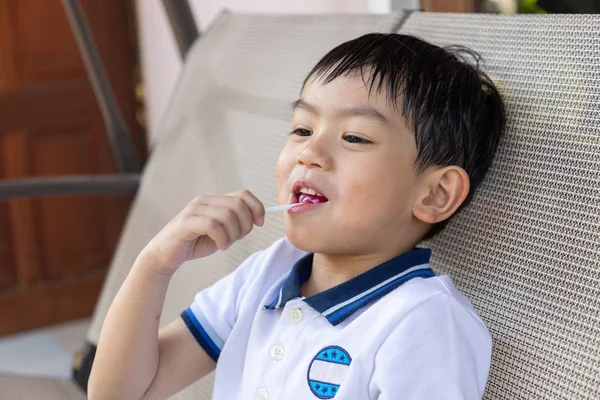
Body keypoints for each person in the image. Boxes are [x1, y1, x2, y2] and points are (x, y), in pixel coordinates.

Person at [88, 33, 505, 400]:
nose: (308, 153)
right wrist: (155, 265)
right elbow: (119, 393)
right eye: (302, 129)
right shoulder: (265, 275)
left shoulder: (425, 324)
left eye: (354, 137)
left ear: (435, 193)